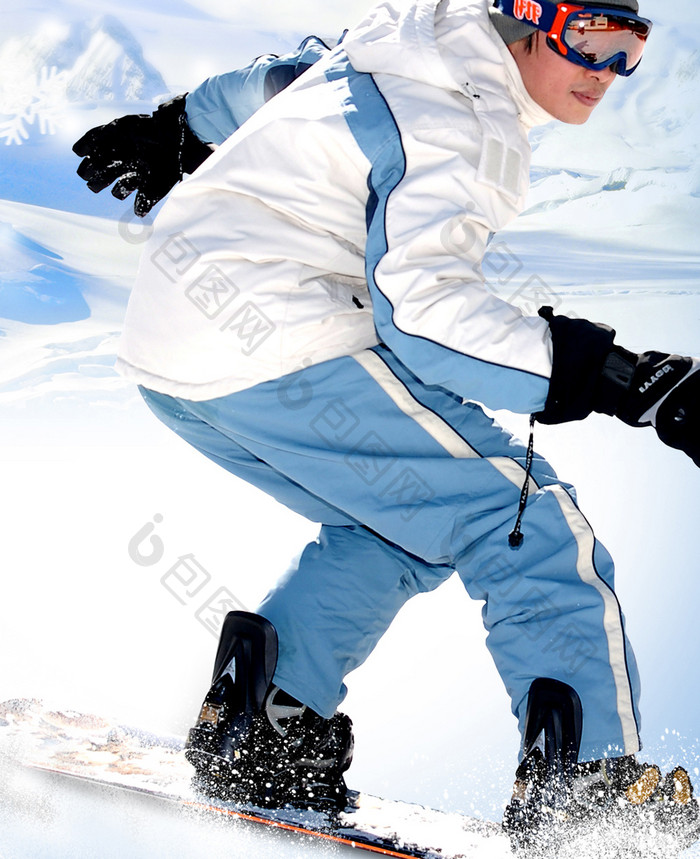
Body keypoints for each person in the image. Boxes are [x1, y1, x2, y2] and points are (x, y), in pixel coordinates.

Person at [73, 0, 700, 847]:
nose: (607, 72)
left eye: (630, 48)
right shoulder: (454, 115)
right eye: (588, 38)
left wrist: (178, 123)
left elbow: (276, 83)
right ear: (527, 21)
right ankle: (587, 799)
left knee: (397, 521)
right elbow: (427, 311)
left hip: (175, 347)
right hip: (280, 335)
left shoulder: (405, 44)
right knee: (524, 519)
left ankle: (267, 721)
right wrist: (624, 380)